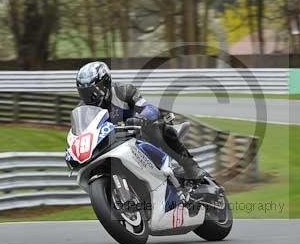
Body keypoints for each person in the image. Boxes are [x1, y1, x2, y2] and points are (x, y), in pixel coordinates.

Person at [74, 61, 208, 181]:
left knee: (158, 127)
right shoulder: (83, 109)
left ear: (106, 82)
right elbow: (80, 133)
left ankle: (191, 167)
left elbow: (149, 108)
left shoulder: (123, 91)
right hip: (110, 144)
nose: (91, 96)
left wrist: (142, 119)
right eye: (85, 93)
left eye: (94, 90)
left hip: (137, 135)